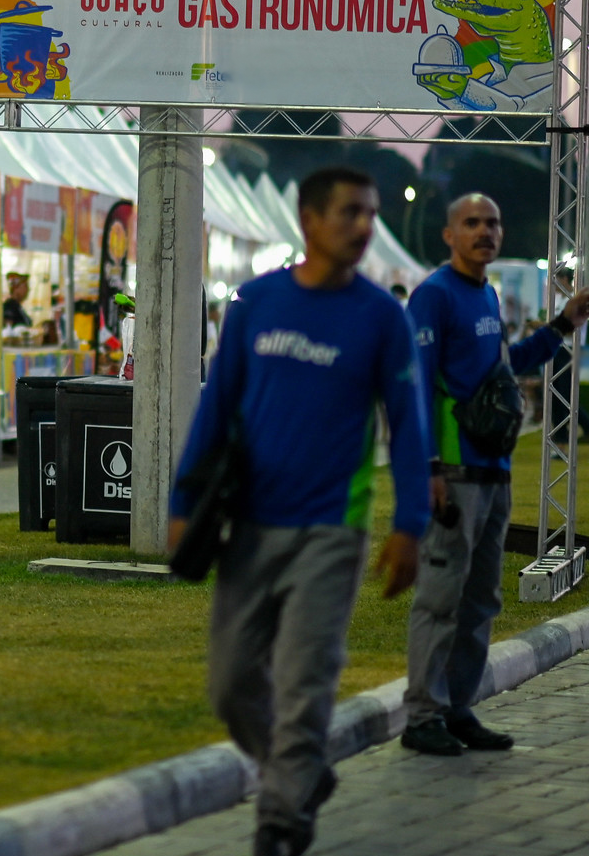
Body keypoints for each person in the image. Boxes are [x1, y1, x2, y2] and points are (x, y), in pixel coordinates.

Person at [169, 167, 430, 856]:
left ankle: (280, 817)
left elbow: (409, 426)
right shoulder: (255, 303)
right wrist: (180, 501)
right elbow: (216, 405)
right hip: (247, 524)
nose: (364, 225)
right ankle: (303, 770)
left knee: (303, 677)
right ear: (309, 221)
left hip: (328, 531)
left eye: (370, 213)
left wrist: (408, 526)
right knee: (229, 684)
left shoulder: (382, 317)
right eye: (350, 211)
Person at [401, 194, 589, 757]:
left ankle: (457, 708)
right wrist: (429, 468)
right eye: (472, 223)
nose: (485, 231)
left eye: (493, 222)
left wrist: (562, 324)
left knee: (481, 598)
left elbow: (503, 368)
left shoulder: (485, 294)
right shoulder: (433, 297)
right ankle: (422, 717)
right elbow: (412, 387)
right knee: (439, 597)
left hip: (494, 471)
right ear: (449, 234)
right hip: (453, 473)